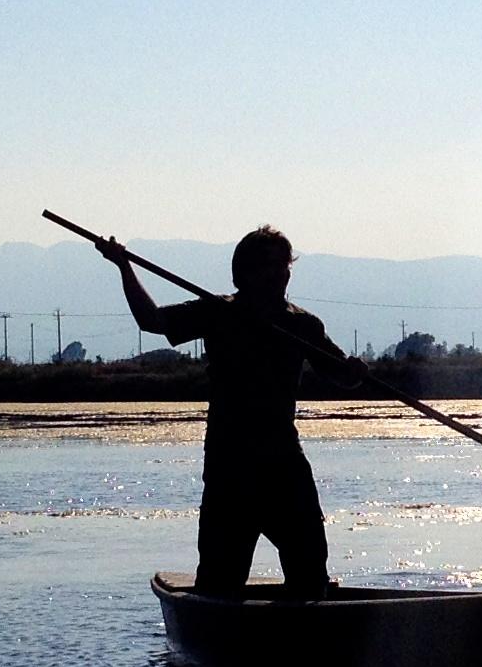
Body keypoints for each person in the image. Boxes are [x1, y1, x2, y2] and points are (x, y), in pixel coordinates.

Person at [99, 225, 333, 597]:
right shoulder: (219, 313)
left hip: (284, 464)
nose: (280, 273)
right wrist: (124, 267)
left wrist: (354, 372)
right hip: (231, 466)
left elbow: (340, 374)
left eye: (284, 265)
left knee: (309, 568)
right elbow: (153, 321)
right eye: (269, 266)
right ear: (246, 273)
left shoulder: (302, 324)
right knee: (221, 577)